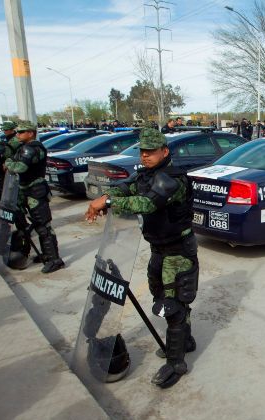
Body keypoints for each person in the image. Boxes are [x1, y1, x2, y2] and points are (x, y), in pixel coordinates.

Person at [85, 128, 198, 389]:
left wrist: (109, 202)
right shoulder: (146, 175)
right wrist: (107, 197)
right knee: (159, 295)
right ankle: (186, 340)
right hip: (158, 248)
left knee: (173, 305)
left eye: (151, 151)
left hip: (178, 252)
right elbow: (126, 188)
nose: (145, 155)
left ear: (164, 151)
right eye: (142, 151)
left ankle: (176, 363)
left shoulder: (173, 180)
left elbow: (148, 203)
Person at [4, 121, 65, 273]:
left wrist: (9, 163)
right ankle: (47, 254)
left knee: (43, 226)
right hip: (27, 190)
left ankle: (55, 260)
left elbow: (21, 167)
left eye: (21, 132)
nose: (18, 135)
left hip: (35, 191)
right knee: (36, 225)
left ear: (30, 133)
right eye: (17, 132)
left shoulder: (32, 148)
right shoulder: (25, 147)